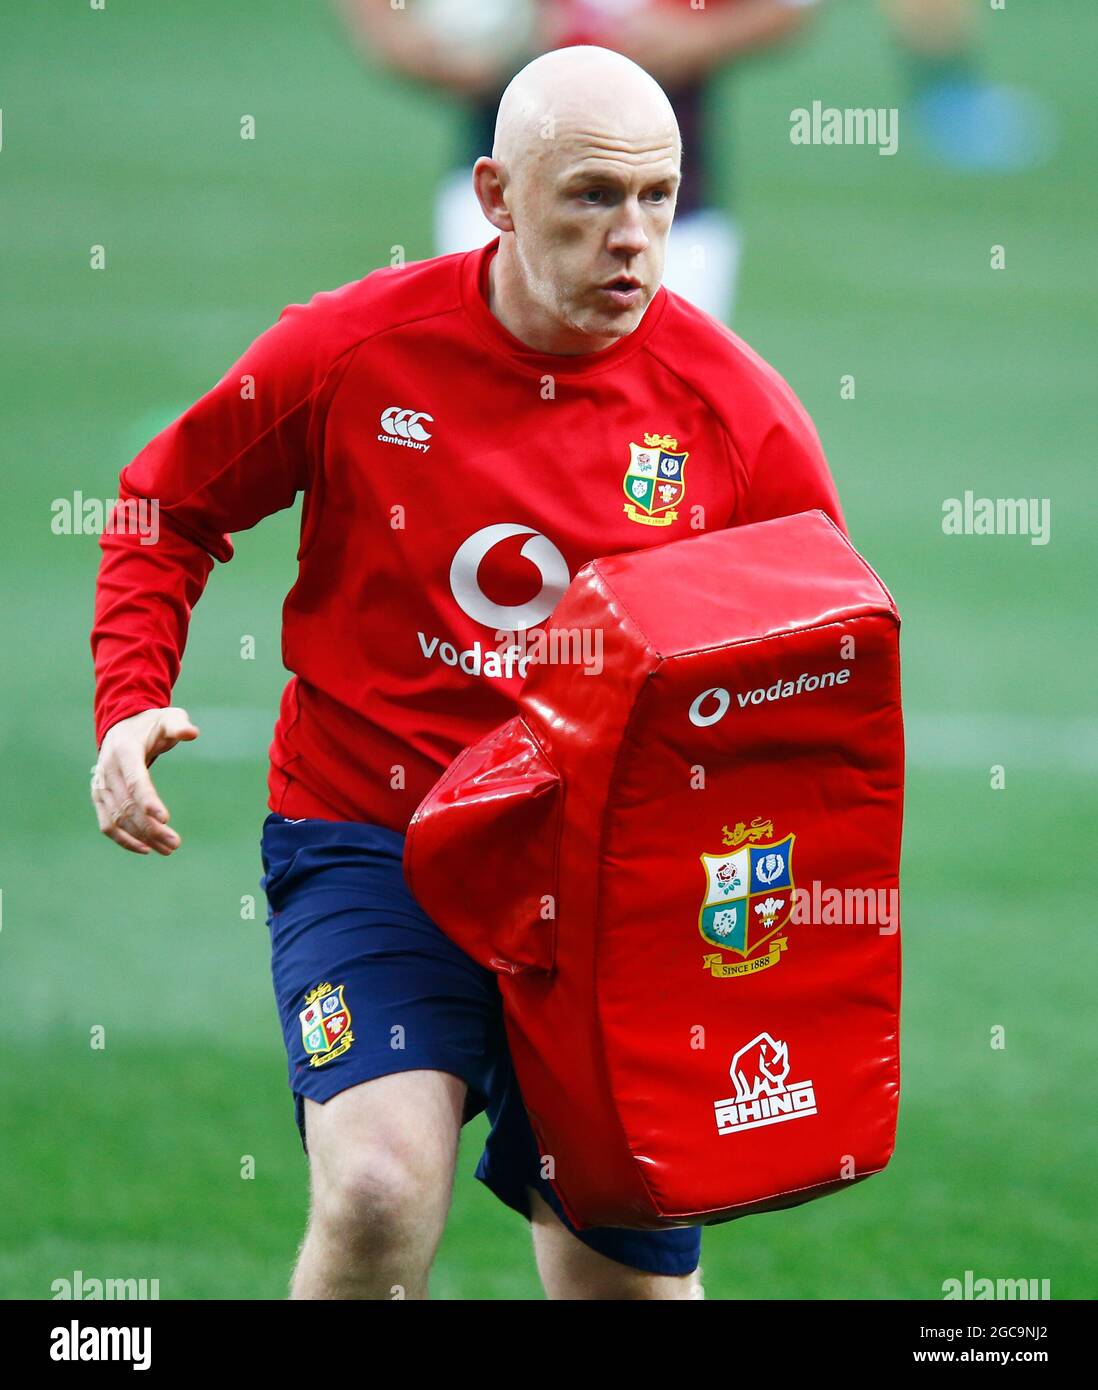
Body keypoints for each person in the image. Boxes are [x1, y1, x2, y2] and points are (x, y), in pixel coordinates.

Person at [90, 45, 844, 1300]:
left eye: (658, 199)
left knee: (625, 1284)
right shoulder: (353, 352)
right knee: (379, 1191)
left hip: (608, 879)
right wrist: (128, 703)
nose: (634, 238)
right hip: (371, 834)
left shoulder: (735, 413)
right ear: (496, 195)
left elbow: (819, 669)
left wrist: (761, 884)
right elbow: (164, 505)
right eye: (593, 197)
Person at [342, 0, 824, 322]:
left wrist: (695, 38)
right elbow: (396, 27)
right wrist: (408, 43)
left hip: (672, 196)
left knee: (662, 397)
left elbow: (784, 11)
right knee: (491, 384)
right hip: (507, 191)